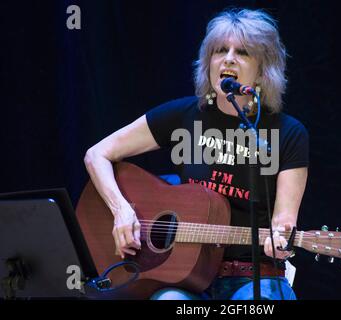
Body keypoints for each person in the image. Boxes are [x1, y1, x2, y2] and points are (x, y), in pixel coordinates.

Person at [84, 8, 308, 300]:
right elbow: (97, 154)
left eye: (242, 52)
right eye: (219, 50)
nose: (228, 58)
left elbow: (283, 224)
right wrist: (121, 210)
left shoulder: (288, 133)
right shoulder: (184, 115)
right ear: (208, 63)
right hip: (185, 280)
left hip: (252, 278)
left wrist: (281, 242)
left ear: (263, 71)